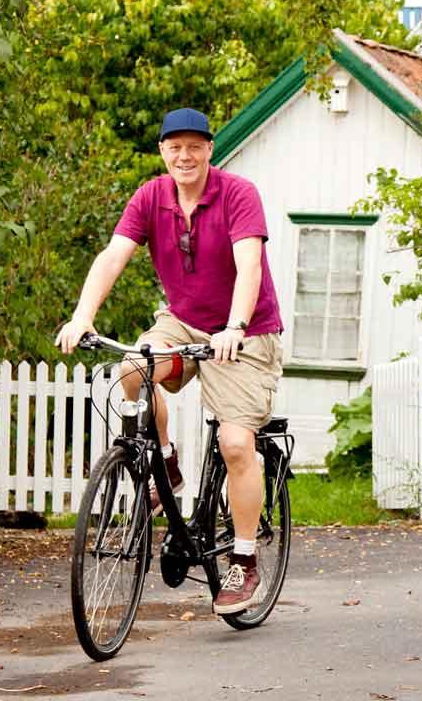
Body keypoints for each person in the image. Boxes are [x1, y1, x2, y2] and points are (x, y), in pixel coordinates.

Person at [53, 107, 285, 615]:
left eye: (194, 147)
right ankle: (166, 465)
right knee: (132, 369)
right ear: (162, 151)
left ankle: (244, 560)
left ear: (209, 150)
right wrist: (82, 316)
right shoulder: (150, 197)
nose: (184, 156)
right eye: (174, 147)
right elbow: (113, 256)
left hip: (245, 333)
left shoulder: (238, 194)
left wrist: (235, 327)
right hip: (182, 323)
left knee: (235, 444)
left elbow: (249, 265)